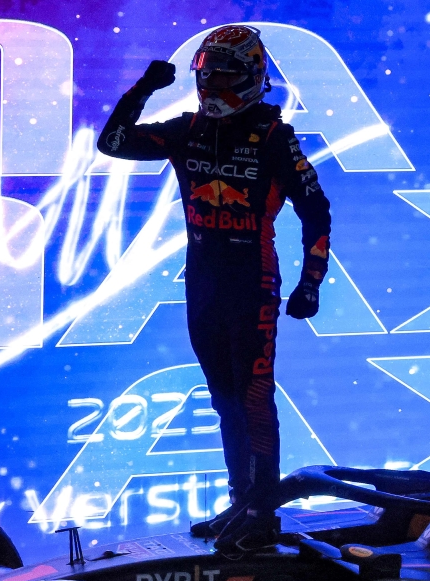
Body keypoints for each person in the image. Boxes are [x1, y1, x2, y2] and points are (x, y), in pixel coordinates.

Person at [97, 25, 331, 553]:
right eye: (209, 74)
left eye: (229, 74)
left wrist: (310, 282)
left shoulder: (275, 135)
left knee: (252, 399)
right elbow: (111, 144)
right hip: (201, 281)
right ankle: (240, 502)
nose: (216, 85)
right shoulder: (186, 130)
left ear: (253, 78)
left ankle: (262, 513)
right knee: (225, 401)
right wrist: (142, 88)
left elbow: (316, 209)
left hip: (253, 284)